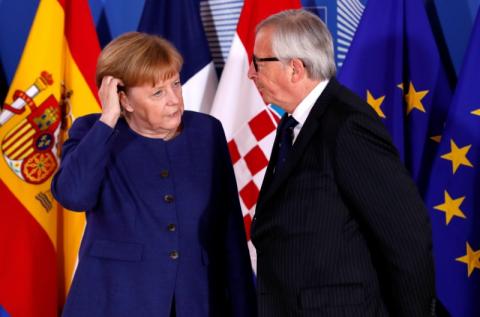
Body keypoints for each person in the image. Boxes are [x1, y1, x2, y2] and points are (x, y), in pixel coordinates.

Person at [52, 32, 256, 317]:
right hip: (115, 300)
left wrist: (244, 307)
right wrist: (108, 119)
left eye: (175, 84)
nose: (174, 100)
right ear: (124, 99)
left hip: (196, 301)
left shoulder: (206, 131)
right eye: (158, 92)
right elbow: (73, 196)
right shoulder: (93, 132)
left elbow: (228, 227)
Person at [248, 9, 435, 317]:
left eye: (257, 63)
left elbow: (406, 235)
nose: (250, 74)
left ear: (294, 68)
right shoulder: (293, 123)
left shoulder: (347, 126)